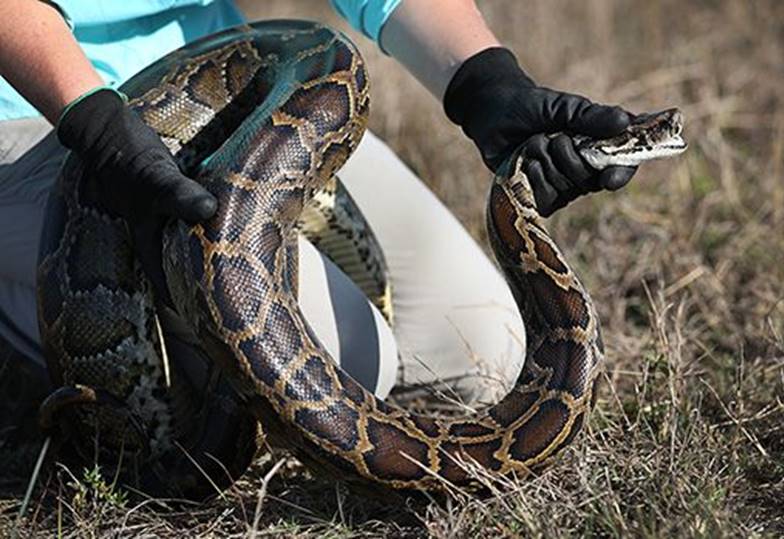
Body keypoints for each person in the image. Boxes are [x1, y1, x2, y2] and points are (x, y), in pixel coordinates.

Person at [0, 0, 638, 447]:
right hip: (41, 111)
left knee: (484, 350)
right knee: (357, 366)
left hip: (227, 91)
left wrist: (486, 83)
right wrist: (97, 127)